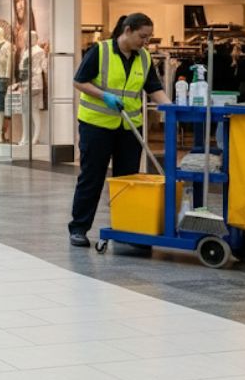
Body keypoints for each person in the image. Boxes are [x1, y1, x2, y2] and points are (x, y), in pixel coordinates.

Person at [68, 12, 170, 247]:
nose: (146, 42)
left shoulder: (144, 58)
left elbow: (154, 87)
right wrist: (105, 96)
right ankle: (79, 228)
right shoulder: (100, 51)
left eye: (149, 38)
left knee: (127, 180)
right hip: (97, 125)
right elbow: (79, 81)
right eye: (142, 36)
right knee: (92, 178)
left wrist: (173, 108)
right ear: (127, 31)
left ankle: (128, 229)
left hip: (129, 127)